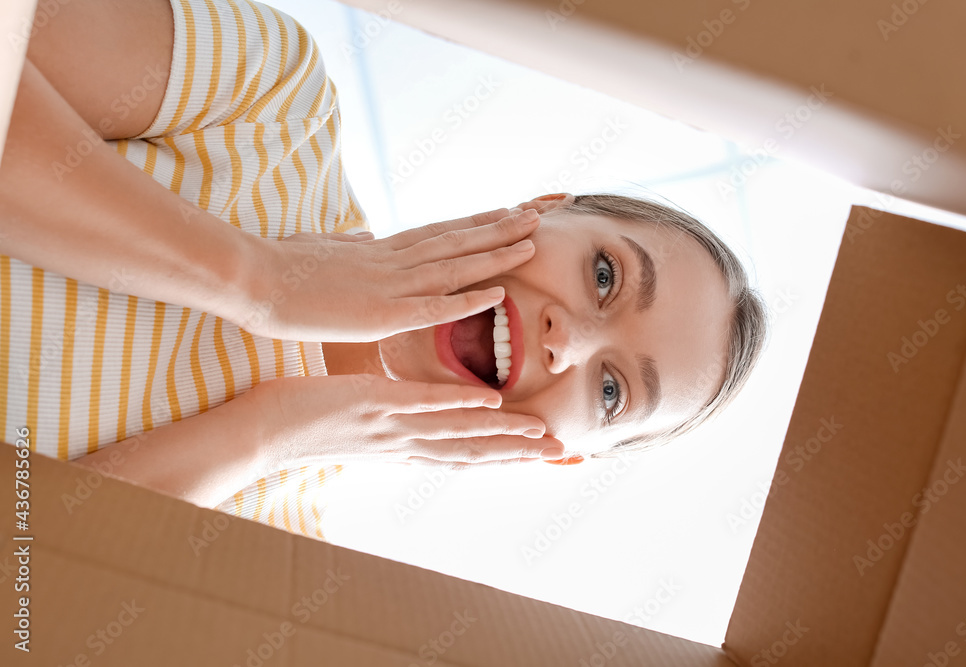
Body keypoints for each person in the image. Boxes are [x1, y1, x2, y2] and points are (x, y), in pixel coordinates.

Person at [0, 0, 768, 539]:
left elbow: (25, 596)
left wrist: (263, 435)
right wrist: (257, 278)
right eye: (604, 276)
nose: (569, 341)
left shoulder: (274, 545)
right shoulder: (276, 103)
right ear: (540, 206)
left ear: (557, 453)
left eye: (610, 390)